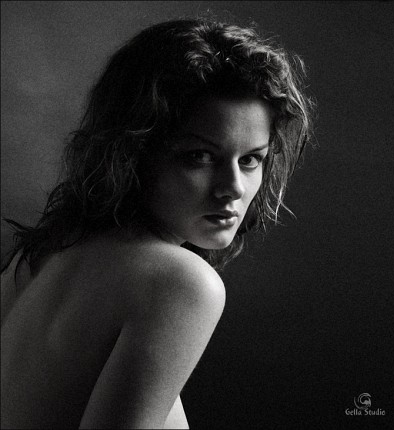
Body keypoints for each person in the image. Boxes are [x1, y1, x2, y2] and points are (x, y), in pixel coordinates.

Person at [1, 17, 314, 429]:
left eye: (251, 159)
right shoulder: (182, 283)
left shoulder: (36, 258)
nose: (233, 188)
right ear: (133, 151)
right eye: (200, 157)